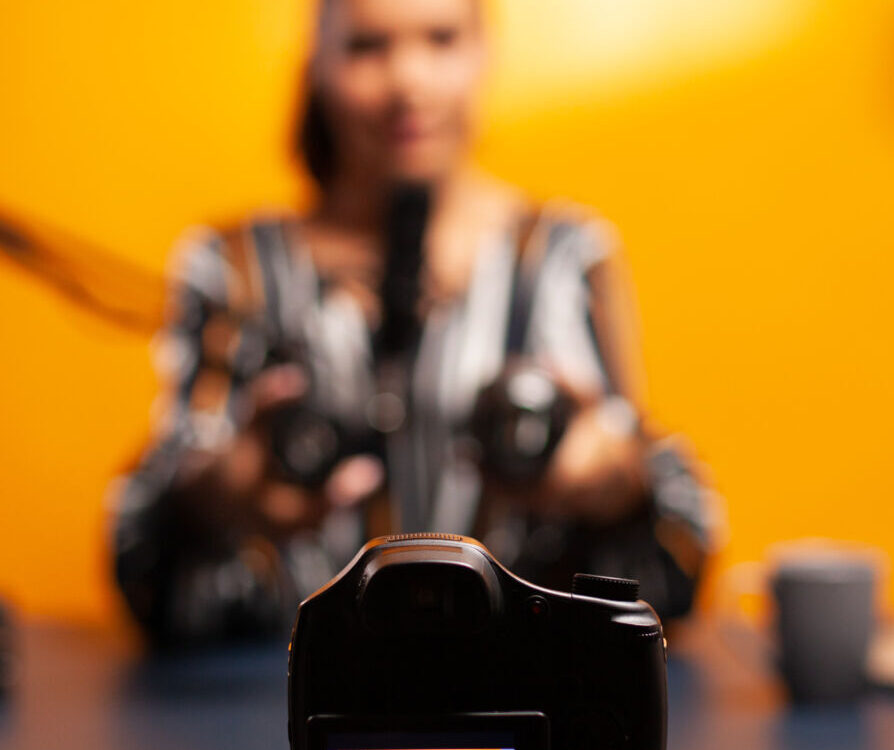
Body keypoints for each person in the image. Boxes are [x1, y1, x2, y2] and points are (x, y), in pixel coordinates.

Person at [111, 0, 717, 647]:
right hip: (284, 685)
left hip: (512, 686)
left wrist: (613, 480)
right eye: (368, 46)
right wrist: (220, 490)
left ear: (484, 50)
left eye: (441, 38)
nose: (409, 82)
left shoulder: (562, 259)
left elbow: (680, 544)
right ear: (317, 60)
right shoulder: (234, 271)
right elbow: (141, 556)